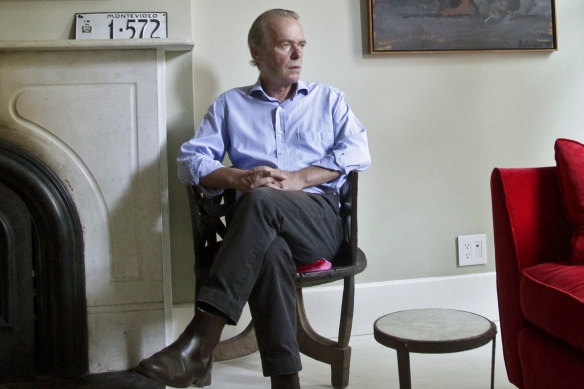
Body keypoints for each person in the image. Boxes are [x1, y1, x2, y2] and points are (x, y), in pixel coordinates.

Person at [136, 8, 370, 389]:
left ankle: (199, 343)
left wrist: (299, 178)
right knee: (269, 243)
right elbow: (189, 162)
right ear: (257, 52)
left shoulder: (328, 100)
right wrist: (238, 177)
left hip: (318, 224)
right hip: (259, 229)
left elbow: (359, 151)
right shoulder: (230, 105)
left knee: (260, 203)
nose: (297, 54)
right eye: (284, 44)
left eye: (301, 44)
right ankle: (285, 378)